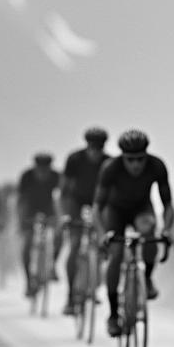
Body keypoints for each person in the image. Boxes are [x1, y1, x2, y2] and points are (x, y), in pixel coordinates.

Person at [94, 129, 174, 337]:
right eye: (131, 160)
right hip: (115, 211)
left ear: (146, 155)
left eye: (140, 159)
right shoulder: (111, 167)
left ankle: (146, 277)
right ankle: (113, 315)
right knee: (116, 254)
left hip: (141, 209)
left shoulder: (157, 165)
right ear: (123, 157)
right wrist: (103, 233)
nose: (136, 165)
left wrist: (166, 229)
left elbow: (167, 204)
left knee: (149, 234)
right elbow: (97, 206)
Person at [58, 126, 111, 314]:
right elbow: (64, 190)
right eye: (92, 146)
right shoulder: (75, 159)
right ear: (86, 145)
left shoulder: (108, 162)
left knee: (103, 242)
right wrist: (65, 214)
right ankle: (71, 295)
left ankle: (94, 282)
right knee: (74, 243)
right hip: (76, 201)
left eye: (99, 147)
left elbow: (112, 194)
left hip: (99, 202)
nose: (95, 151)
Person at [17, 152, 61, 297]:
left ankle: (53, 264)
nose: (43, 172)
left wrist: (59, 219)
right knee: (27, 246)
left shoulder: (56, 177)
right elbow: (21, 201)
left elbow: (60, 199)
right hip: (30, 210)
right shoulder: (27, 177)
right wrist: (22, 221)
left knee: (59, 235)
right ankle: (29, 280)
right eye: (40, 169)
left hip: (49, 209)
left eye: (46, 169)